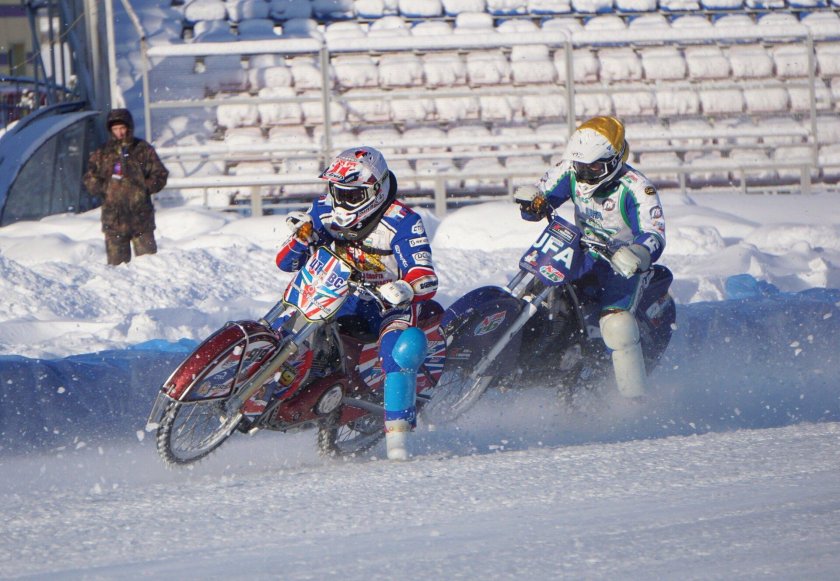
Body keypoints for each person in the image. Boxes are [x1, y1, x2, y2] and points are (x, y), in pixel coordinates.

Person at [275, 146, 438, 460]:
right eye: (336, 192)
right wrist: (299, 238)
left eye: (351, 195)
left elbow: (424, 274)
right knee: (292, 327)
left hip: (388, 304)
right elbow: (285, 263)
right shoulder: (323, 210)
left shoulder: (403, 221)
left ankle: (398, 442)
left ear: (374, 192)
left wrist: (406, 287)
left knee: (399, 351)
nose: (341, 202)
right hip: (340, 294)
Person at [514, 116, 666, 400]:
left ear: (614, 159)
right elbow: (543, 197)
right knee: (536, 295)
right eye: (581, 165)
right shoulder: (570, 169)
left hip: (621, 264)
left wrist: (639, 252)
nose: (585, 173)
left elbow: (653, 232)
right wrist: (533, 204)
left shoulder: (636, 188)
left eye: (594, 166)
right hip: (578, 251)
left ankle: (636, 402)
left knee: (617, 324)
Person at [83, 108, 169, 266]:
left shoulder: (143, 149)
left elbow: (160, 174)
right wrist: (107, 189)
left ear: (129, 127)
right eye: (115, 129)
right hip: (114, 221)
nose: (119, 132)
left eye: (122, 128)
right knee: (117, 272)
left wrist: (142, 188)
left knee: (149, 267)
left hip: (141, 220)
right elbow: (89, 178)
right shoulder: (103, 153)